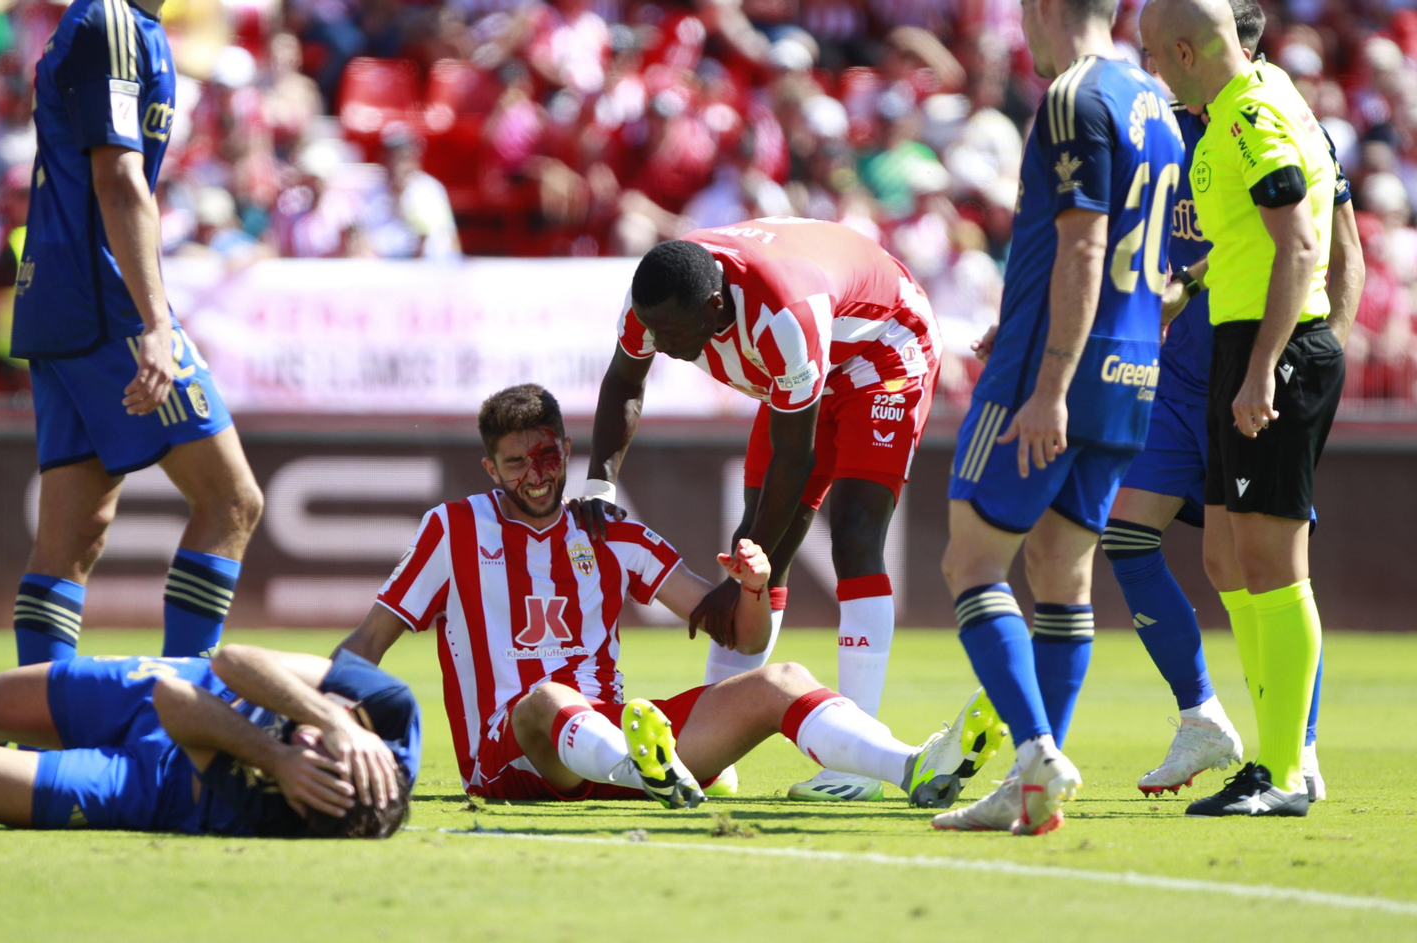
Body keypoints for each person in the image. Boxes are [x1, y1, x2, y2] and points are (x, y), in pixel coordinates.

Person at [339, 384, 1002, 809]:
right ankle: (651, 770)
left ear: (567, 450)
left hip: (618, 742)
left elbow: (740, 636)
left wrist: (752, 588)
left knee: (782, 679)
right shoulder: (453, 528)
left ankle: (914, 765)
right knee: (548, 698)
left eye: (546, 456)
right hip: (510, 753)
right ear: (491, 468)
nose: (535, 475)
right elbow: (369, 640)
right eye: (516, 463)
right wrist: (324, 717)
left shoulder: (608, 529)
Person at [577, 218, 944, 804]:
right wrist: (599, 484)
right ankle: (711, 753)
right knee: (752, 550)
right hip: (807, 363)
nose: (661, 344)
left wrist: (738, 582)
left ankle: (857, 762)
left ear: (715, 306)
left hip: (882, 347)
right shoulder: (655, 298)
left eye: (673, 332)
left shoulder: (783, 318)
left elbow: (796, 463)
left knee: (853, 533)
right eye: (653, 329)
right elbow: (624, 381)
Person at [931, 0, 1183, 835]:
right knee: (1061, 572)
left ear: (1045, 8)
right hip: (1130, 369)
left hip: (1051, 373)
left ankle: (1036, 750)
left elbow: (1083, 244)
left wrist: (1049, 384)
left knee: (972, 562)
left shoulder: (1075, 95)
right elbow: (1168, 259)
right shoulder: (1155, 102)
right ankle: (1034, 788)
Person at [1112, 0, 1362, 801]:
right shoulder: (1245, 104)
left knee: (1275, 567)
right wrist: (1189, 288)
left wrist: (1269, 368)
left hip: (1270, 350)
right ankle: (1269, 754)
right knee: (1229, 558)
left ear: (1188, 50)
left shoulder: (1251, 116)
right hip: (1234, 345)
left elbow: (1304, 243)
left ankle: (1289, 765)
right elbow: (1245, 243)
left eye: (1155, 54)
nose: (1151, 71)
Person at [9, 0, 264, 666]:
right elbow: (119, 179)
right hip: (105, 301)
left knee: (74, 536)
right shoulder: (115, 23)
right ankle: (182, 706)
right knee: (231, 501)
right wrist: (155, 322)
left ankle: (40, 716)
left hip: (60, 298)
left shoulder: (125, 27)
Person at [0, 645, 415, 839]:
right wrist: (331, 719)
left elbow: (177, 708)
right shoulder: (391, 708)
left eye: (313, 752)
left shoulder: (277, 811)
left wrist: (277, 757)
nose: (309, 737)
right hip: (193, 683)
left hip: (156, 786)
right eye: (326, 741)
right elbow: (232, 660)